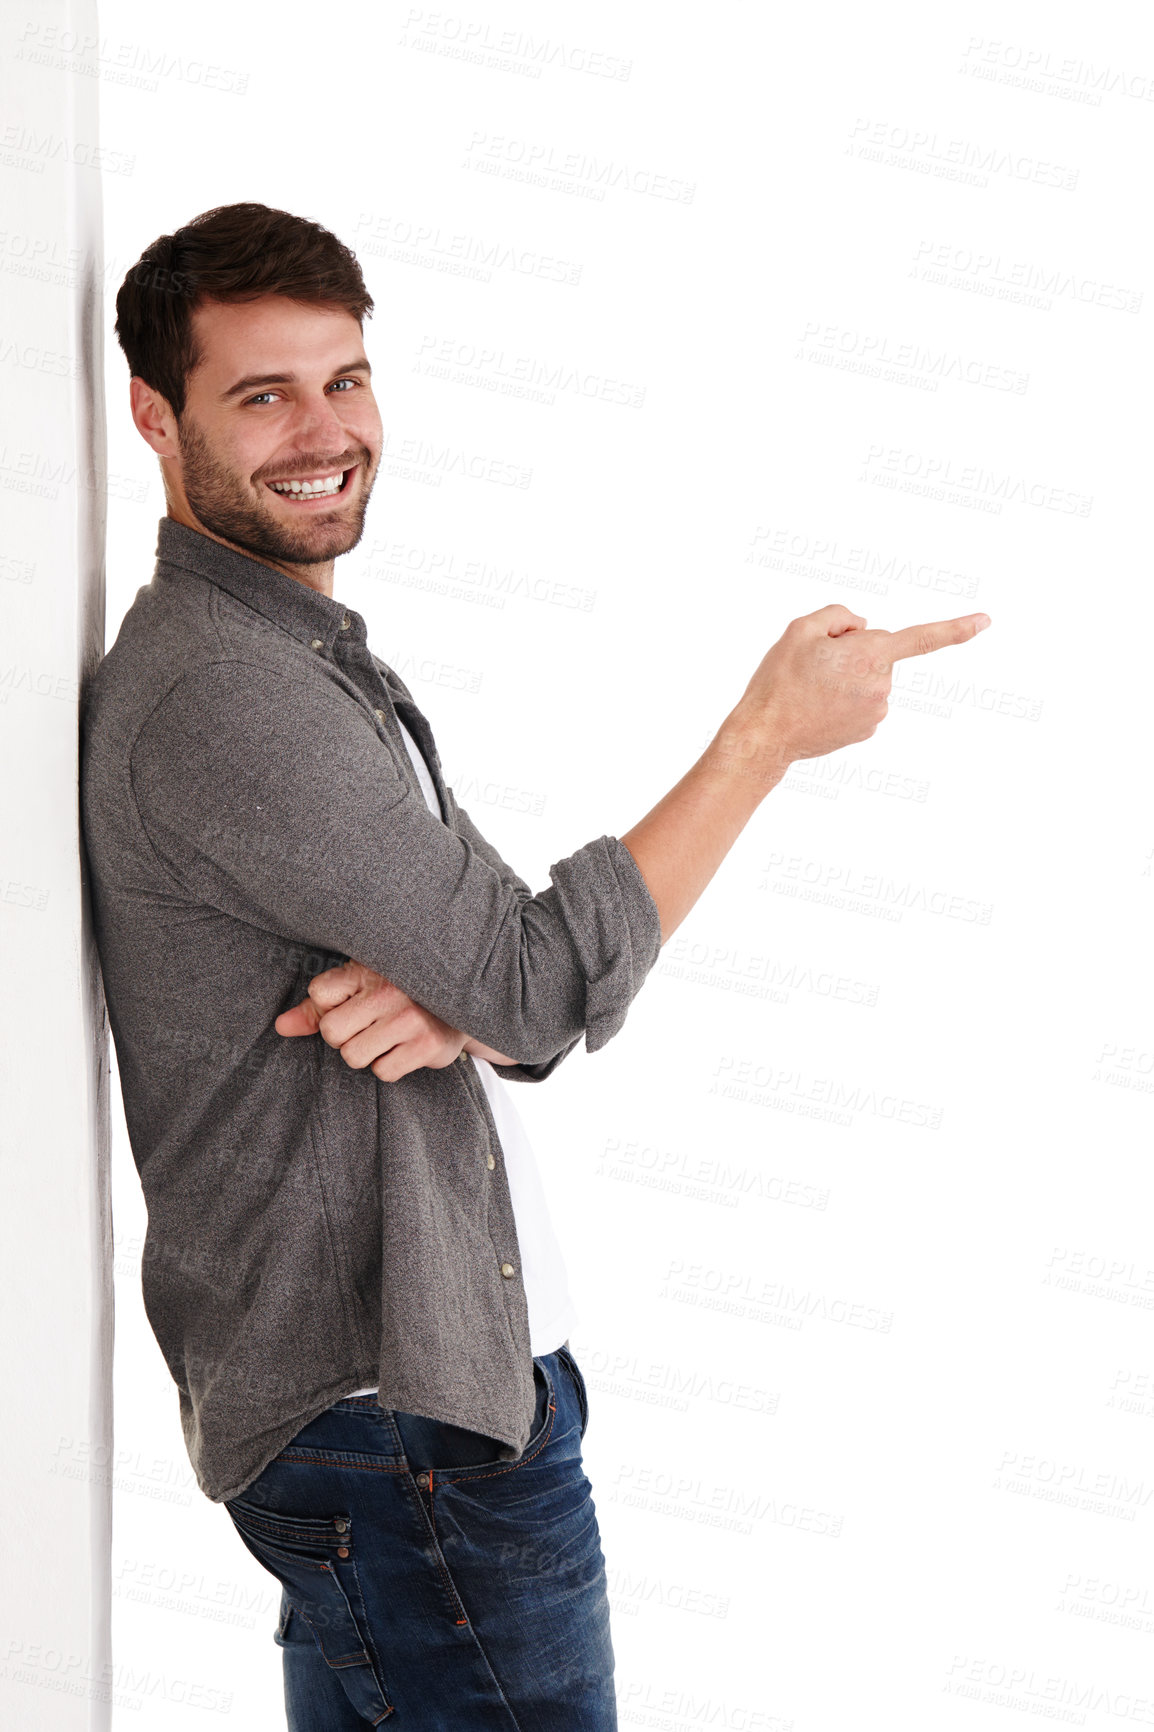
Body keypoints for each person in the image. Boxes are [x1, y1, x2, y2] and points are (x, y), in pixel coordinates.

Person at [79, 201, 991, 1731]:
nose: (326, 430)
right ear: (152, 417)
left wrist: (469, 989)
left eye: (346, 378)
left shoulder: (302, 654)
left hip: (409, 1419)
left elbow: (521, 990)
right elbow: (540, 980)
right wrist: (762, 740)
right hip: (405, 1429)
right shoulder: (229, 697)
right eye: (264, 395)